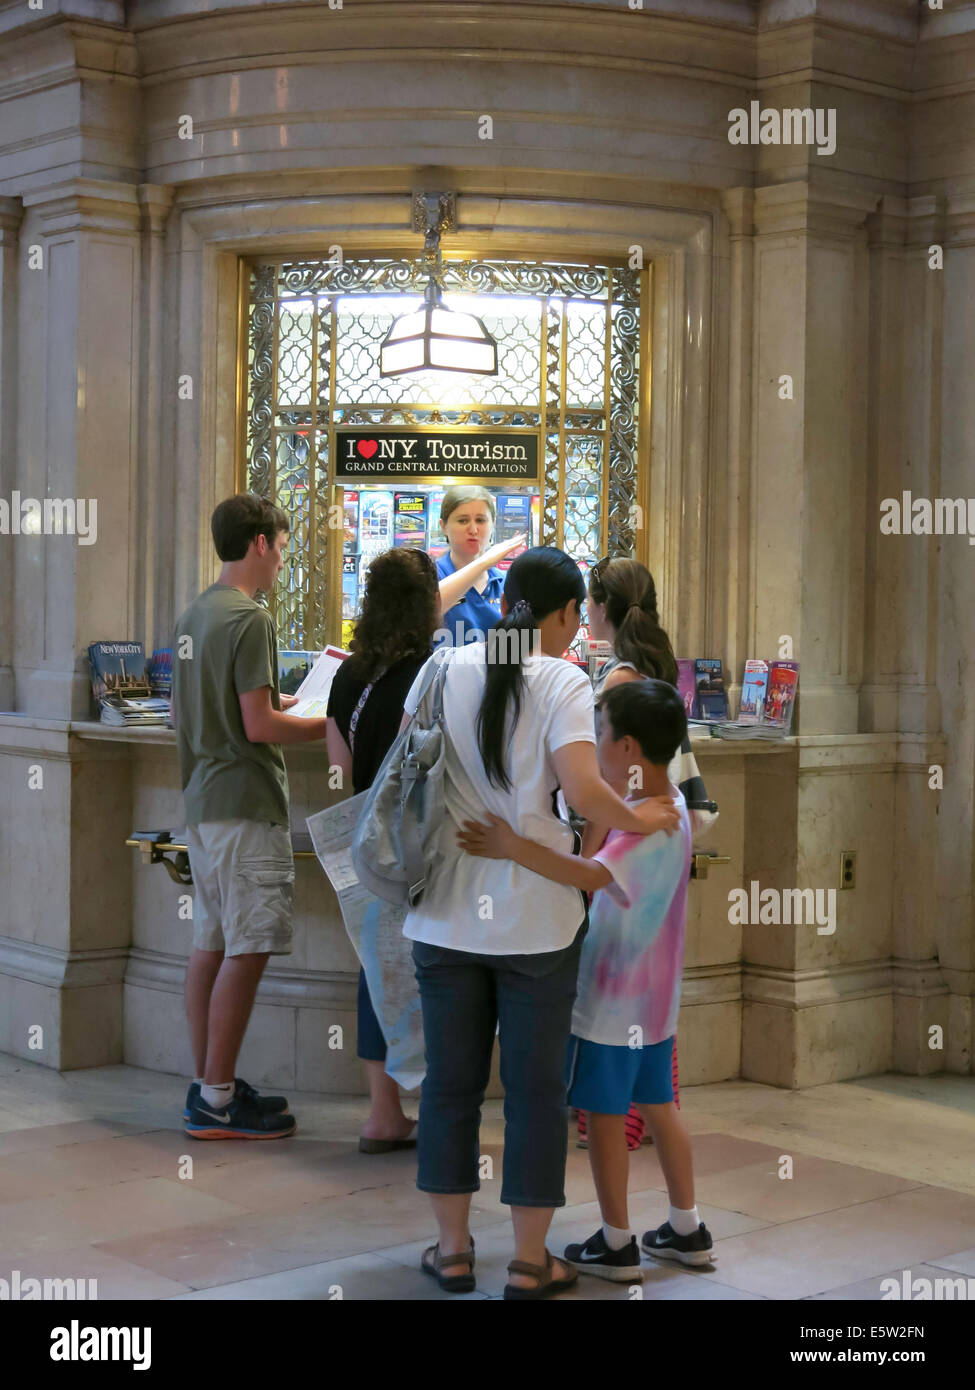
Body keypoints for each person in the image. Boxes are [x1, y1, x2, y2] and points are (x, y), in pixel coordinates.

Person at [401, 547, 681, 1300]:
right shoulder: (561, 678)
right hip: (537, 926)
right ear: (563, 615)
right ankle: (529, 1262)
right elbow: (587, 796)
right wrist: (641, 815)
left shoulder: (443, 667)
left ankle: (453, 1250)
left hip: (443, 918)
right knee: (531, 1093)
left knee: (449, 1088)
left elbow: (405, 776)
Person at [459, 679, 713, 1282]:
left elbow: (585, 875)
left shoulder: (641, 828)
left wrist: (510, 845)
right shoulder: (671, 805)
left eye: (598, 735)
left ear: (626, 747)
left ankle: (618, 1242)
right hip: (657, 1006)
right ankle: (687, 1227)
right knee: (660, 1105)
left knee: (602, 1117)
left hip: (611, 1005)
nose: (591, 746)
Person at [173, 493, 329, 1139]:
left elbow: (196, 713)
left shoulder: (195, 614)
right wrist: (328, 717)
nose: (282, 561)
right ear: (261, 542)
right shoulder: (249, 618)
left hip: (205, 802)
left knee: (210, 945)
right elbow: (259, 724)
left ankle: (212, 1083)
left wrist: (280, 702)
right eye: (282, 546)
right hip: (244, 801)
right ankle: (215, 1099)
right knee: (250, 948)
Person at [325, 547, 440, 1153]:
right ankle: (441, 1104)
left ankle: (382, 1113)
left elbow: (339, 774)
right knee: (435, 972)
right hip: (418, 847)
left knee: (375, 969)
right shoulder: (432, 670)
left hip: (363, 848)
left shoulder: (347, 675)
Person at [434, 485, 525, 645]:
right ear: (443, 526)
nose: (473, 529)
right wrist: (483, 563)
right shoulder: (431, 575)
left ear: (493, 524)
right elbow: (424, 612)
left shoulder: (504, 582)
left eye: (481, 520)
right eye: (463, 520)